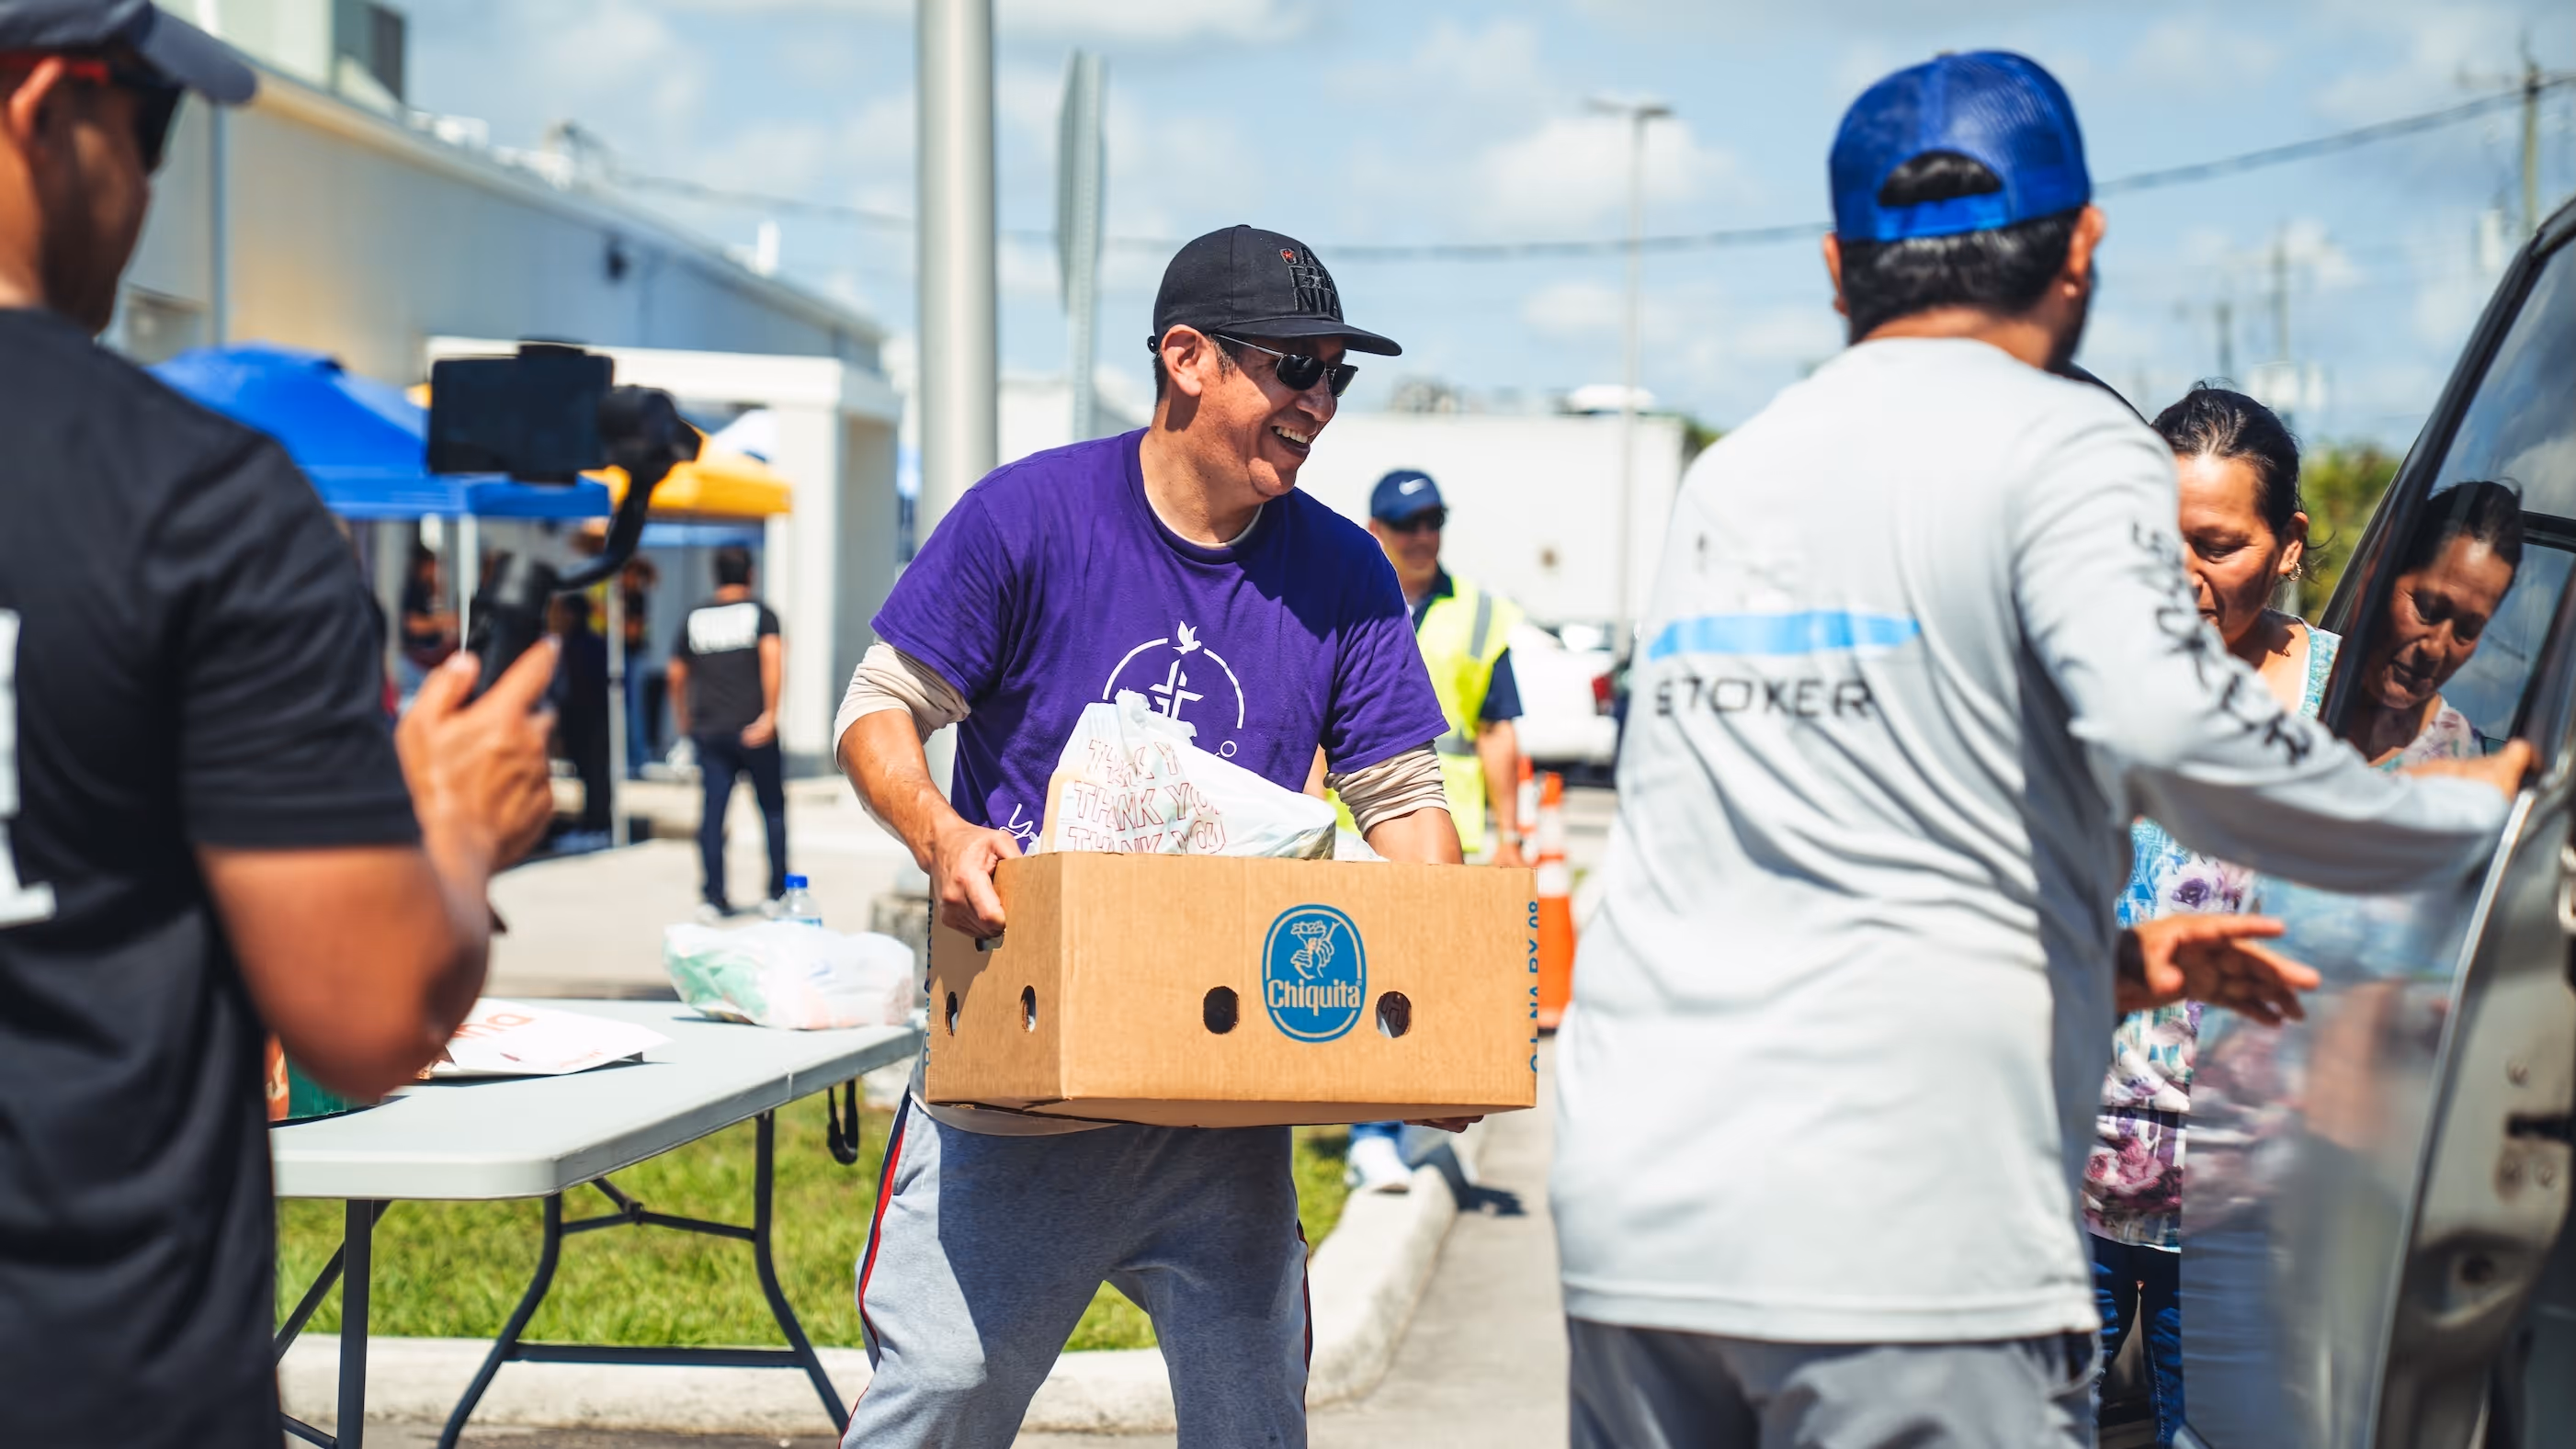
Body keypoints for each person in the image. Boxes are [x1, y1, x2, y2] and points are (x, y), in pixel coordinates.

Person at [1549, 51, 2530, 1448]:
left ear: (1836, 269)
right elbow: (2179, 737)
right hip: (1895, 1232)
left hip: (1638, 1210)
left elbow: (1822, 858)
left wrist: (2111, 966)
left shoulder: (1735, 473)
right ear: (2080, 251)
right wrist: (2477, 812)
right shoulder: (2054, 442)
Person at [0, 6, 558, 1445]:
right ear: (50, 107)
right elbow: (365, 1014)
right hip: (92, 1372)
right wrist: (452, 828)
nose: (147, 187)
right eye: (152, 129)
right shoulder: (191, 503)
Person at [832, 224, 1460, 1448]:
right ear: (1185, 359)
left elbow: (1403, 808)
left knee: (1253, 1422)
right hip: (1019, 1083)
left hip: (1222, 1101)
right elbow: (878, 709)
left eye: (1336, 375)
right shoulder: (1028, 516)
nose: (1317, 404)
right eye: (1293, 368)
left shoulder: (1342, 572)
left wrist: (1435, 1018)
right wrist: (940, 830)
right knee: (942, 1395)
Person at [2083, 385, 2322, 1446]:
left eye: (2218, 543)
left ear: (2286, 544)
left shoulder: (2346, 704)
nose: (2184, 572)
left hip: (2243, 1211)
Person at [1343, 467, 1529, 1194]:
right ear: (1375, 532)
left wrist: (1513, 831)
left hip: (1444, 829)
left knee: (1424, 980)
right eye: (1406, 524)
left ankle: (1397, 1115)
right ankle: (1371, 1132)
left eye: (1432, 521)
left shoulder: (1479, 615)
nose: (1423, 537)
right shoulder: (1350, 599)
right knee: (1367, 977)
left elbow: (1496, 729)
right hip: (1357, 823)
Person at [2343, 480, 2524, 766]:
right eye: (2427, 609)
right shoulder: (2280, 662)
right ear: (2379, 576)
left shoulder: (2462, 765)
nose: (2436, 649)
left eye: (2467, 631)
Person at [667, 545, 786, 919]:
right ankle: (777, 893)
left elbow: (675, 673)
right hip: (755, 730)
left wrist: (684, 720)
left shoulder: (695, 616)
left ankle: (713, 898)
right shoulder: (760, 614)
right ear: (750, 574)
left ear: (715, 576)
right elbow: (772, 659)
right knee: (772, 811)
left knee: (713, 815)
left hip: (709, 730)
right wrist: (770, 715)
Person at [550, 593, 613, 845]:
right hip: (578, 718)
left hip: (590, 719)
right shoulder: (568, 643)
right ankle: (591, 822)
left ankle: (598, 825)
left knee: (596, 775)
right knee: (587, 774)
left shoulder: (586, 645)